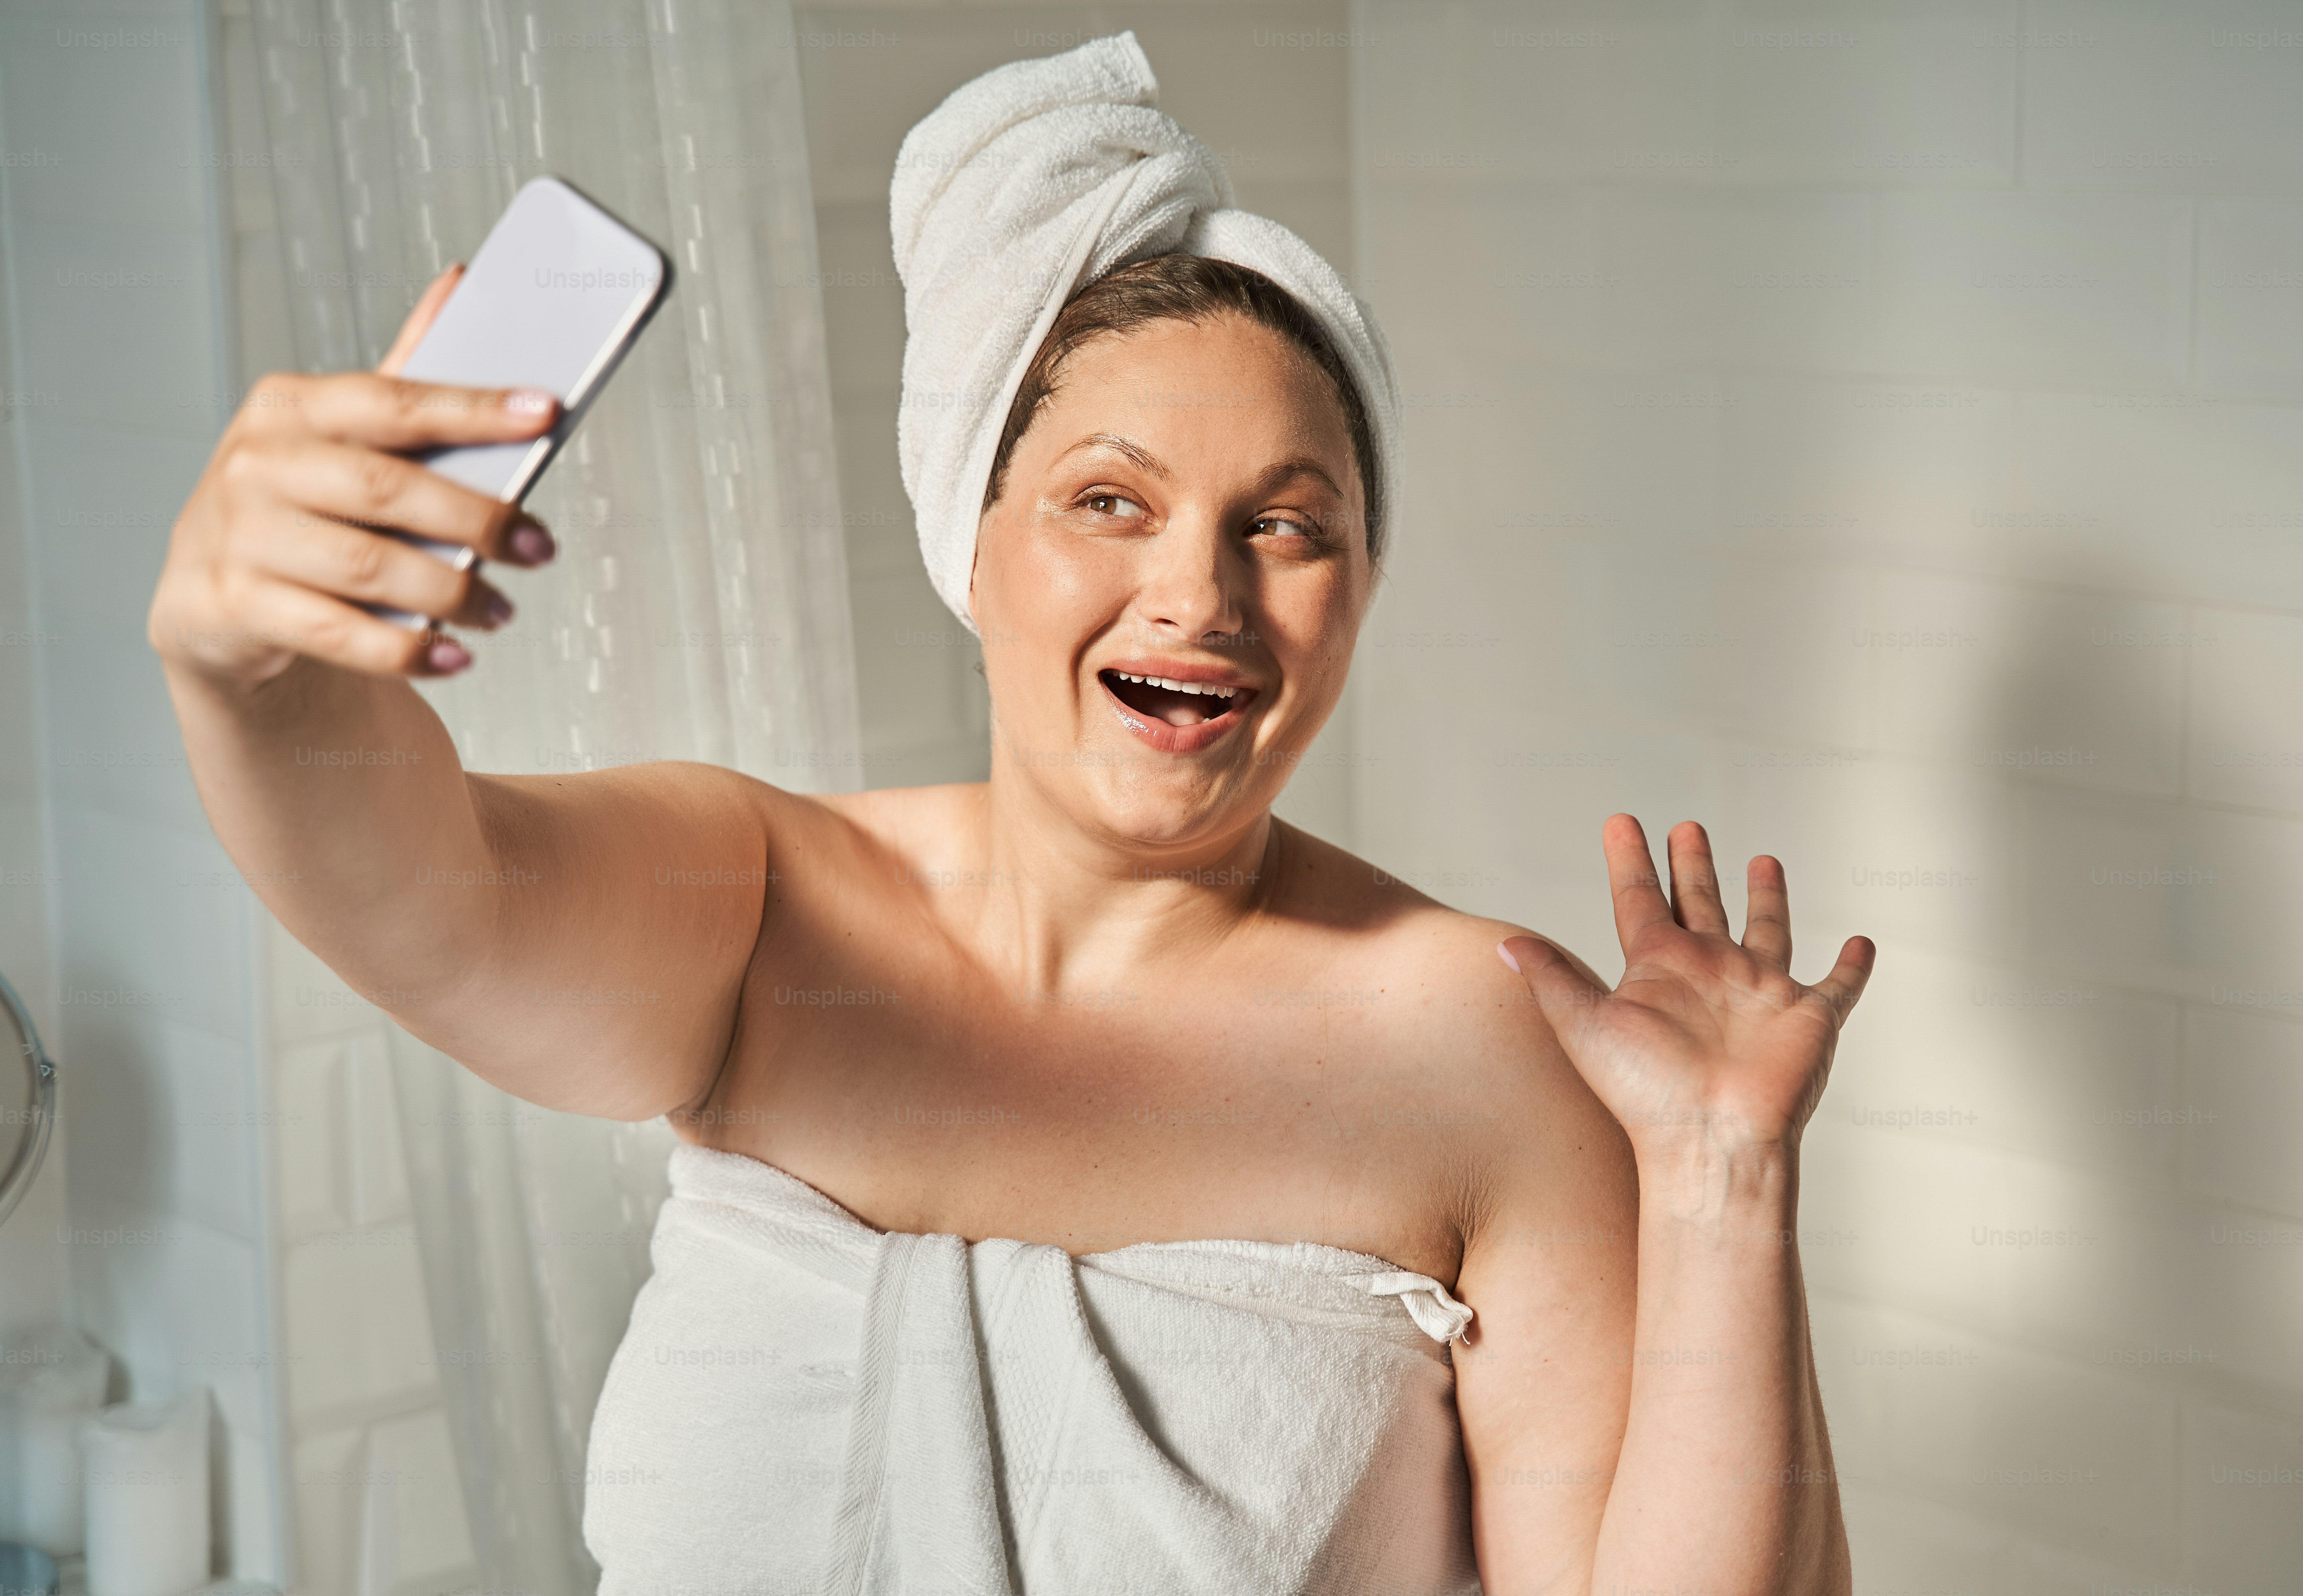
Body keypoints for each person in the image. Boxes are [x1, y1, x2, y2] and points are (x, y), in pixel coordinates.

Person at [149, 33, 1872, 1596]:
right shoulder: (763, 909)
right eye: (1108, 500)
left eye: (1289, 524)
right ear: (968, 544)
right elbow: (421, 897)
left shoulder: (1493, 1047)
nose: (1196, 590)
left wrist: (1724, 1182)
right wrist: (250, 665)